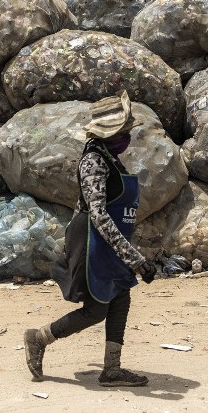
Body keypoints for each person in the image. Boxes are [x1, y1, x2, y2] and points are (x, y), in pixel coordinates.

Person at [24, 91, 156, 387]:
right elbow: (98, 214)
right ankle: (40, 337)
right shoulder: (94, 161)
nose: (128, 135)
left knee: (121, 295)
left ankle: (112, 369)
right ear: (112, 132)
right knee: (97, 308)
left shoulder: (111, 158)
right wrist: (135, 258)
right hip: (91, 240)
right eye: (124, 130)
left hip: (108, 242)